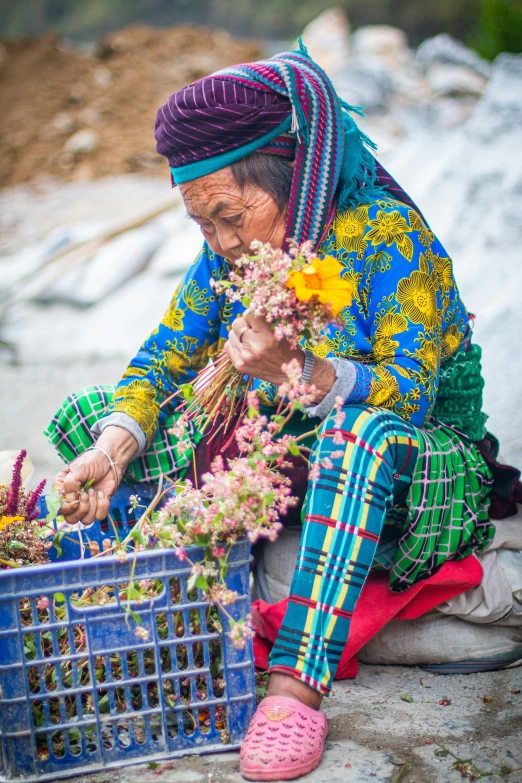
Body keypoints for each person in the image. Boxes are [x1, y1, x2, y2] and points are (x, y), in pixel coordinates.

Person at [46, 43, 515, 781]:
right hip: (298, 465)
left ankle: (295, 687)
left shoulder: (386, 236)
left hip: (416, 465)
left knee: (355, 435)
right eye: (205, 225)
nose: (225, 242)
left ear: (295, 176)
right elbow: (161, 358)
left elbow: (414, 397)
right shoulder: (228, 259)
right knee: (98, 416)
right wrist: (113, 445)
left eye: (232, 215)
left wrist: (305, 373)